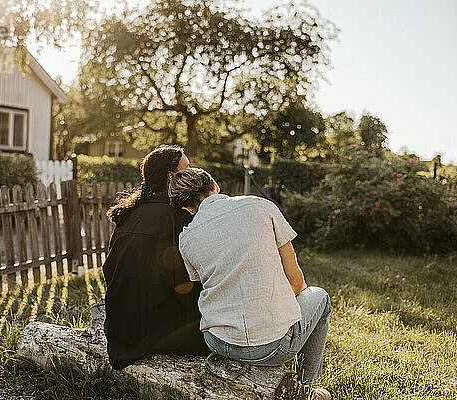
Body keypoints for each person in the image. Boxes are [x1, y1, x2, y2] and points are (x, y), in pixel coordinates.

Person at [168, 168, 332, 399]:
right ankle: (306, 389)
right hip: (272, 347)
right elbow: (296, 282)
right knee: (320, 297)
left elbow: (205, 285)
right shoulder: (260, 206)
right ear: (215, 185)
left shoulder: (186, 238)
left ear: (186, 208)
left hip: (217, 341)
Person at [102, 146, 210, 370]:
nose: (192, 173)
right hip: (152, 333)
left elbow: (109, 270)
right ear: (172, 176)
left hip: (120, 331)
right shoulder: (177, 218)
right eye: (186, 168)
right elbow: (186, 287)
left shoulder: (130, 213)